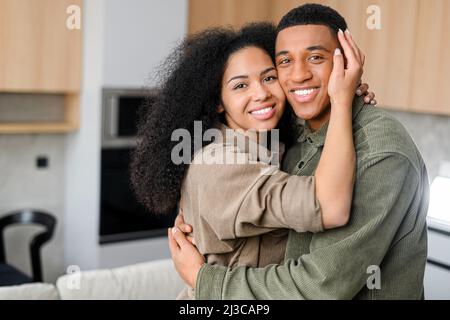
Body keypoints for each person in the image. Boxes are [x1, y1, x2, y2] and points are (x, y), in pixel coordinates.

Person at [170, 3, 429, 300]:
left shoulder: (380, 152)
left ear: (345, 62)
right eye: (285, 62)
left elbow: (321, 285)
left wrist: (205, 279)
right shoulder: (288, 145)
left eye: (315, 57)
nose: (298, 75)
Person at [131, 21, 371, 299]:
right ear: (218, 102)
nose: (261, 94)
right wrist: (341, 104)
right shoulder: (222, 165)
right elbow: (329, 208)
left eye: (269, 78)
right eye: (240, 85)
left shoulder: (267, 145)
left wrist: (342, 103)